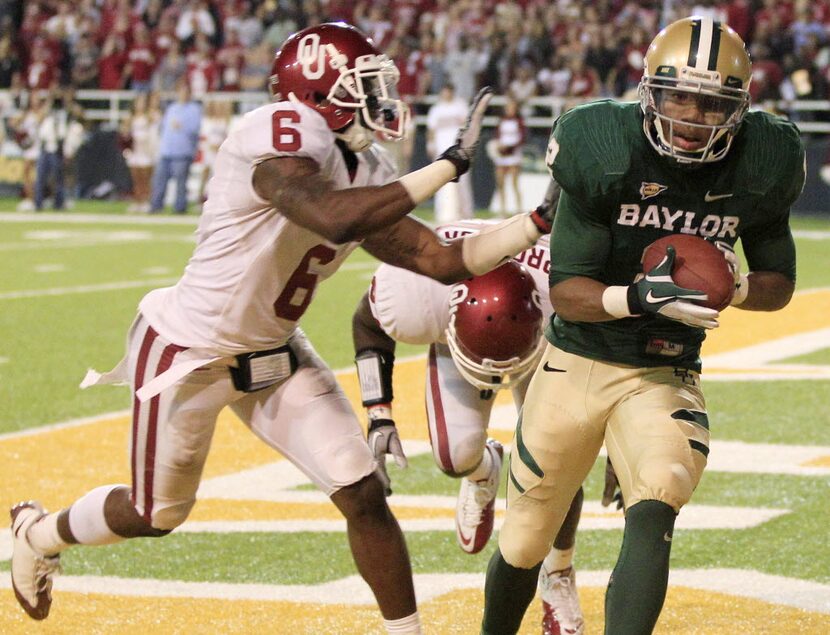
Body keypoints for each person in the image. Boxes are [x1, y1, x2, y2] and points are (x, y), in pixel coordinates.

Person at [10, 23, 555, 635]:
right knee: (155, 512)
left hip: (277, 353)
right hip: (191, 352)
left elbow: (440, 259)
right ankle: (38, 532)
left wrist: (535, 221)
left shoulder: (363, 166)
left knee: (363, 495)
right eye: (363, 85)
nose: (379, 98)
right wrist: (446, 167)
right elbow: (327, 215)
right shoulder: (273, 132)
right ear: (321, 93)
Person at [481, 17, 804, 635]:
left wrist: (733, 286)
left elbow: (779, 284)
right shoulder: (603, 146)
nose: (691, 116)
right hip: (578, 359)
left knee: (658, 497)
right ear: (649, 91)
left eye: (712, 103)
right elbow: (568, 292)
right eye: (679, 95)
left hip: (664, 366)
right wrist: (638, 296)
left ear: (738, 109)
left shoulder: (764, 159)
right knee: (524, 540)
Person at [351, 206, 586, 635]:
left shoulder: (565, 294)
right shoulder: (419, 289)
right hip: (467, 315)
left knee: (559, 460)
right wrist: (378, 414)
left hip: (547, 343)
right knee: (454, 455)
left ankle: (559, 574)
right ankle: (483, 470)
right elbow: (367, 324)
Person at [149, 79, 201, 214]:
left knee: (181, 182)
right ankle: (156, 206)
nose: (183, 94)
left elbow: (195, 129)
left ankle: (179, 208)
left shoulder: (194, 109)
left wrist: (182, 127)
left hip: (183, 151)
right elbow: (164, 127)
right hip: (167, 150)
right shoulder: (172, 108)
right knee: (159, 180)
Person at [426, 82, 474, 222]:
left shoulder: (460, 106)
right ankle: (444, 214)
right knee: (441, 181)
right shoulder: (436, 109)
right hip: (442, 149)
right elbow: (431, 129)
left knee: (463, 182)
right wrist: (431, 144)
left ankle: (465, 213)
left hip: (459, 149)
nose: (446, 94)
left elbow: (468, 127)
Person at [122, 92, 160, 213]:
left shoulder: (149, 116)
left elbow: (154, 129)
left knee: (146, 177)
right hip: (135, 150)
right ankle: (137, 201)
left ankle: (146, 201)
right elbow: (125, 132)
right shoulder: (130, 118)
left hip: (146, 149)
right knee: (136, 178)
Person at [487, 96, 525, 217]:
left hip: (513, 155)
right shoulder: (501, 121)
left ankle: (519, 209)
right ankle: (502, 210)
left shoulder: (519, 121)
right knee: (501, 183)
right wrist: (498, 147)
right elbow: (497, 136)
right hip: (501, 156)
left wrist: (509, 148)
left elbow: (522, 138)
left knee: (514, 183)